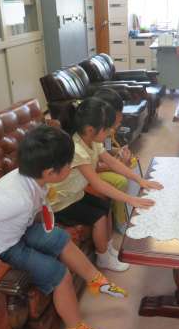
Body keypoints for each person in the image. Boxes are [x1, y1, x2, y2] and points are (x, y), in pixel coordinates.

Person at [0, 124, 128, 329]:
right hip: (3, 247)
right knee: (59, 275)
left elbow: (37, 209)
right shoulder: (17, 197)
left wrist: (45, 226)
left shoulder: (31, 178)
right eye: (69, 164)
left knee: (58, 237)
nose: (72, 166)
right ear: (50, 172)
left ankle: (94, 279)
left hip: (20, 230)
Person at [47, 97, 163, 272]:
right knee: (98, 217)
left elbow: (113, 162)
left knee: (105, 206)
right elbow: (98, 184)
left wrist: (140, 180)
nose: (111, 131)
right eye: (107, 128)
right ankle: (103, 258)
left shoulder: (92, 140)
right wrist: (131, 199)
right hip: (60, 202)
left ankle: (108, 248)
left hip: (75, 194)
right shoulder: (77, 149)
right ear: (90, 129)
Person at [93, 87, 142, 234]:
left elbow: (107, 148)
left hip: (103, 162)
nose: (118, 124)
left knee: (133, 161)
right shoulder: (91, 132)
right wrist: (117, 164)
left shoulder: (108, 129)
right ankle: (122, 220)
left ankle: (134, 205)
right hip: (93, 170)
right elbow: (94, 166)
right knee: (121, 181)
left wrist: (119, 151)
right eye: (116, 120)